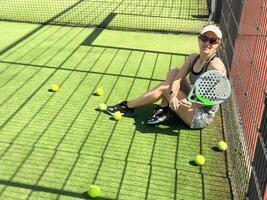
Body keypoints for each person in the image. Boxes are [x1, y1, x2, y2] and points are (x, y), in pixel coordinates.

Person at [107, 24, 227, 129]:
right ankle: (164, 109)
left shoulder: (215, 67)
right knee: (174, 71)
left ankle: (127, 106)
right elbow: (178, 77)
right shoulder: (193, 58)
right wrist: (172, 96)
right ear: (198, 38)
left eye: (212, 40)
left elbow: (214, 99)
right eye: (204, 38)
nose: (207, 43)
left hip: (200, 115)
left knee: (165, 88)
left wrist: (192, 104)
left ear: (218, 43)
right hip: (191, 101)